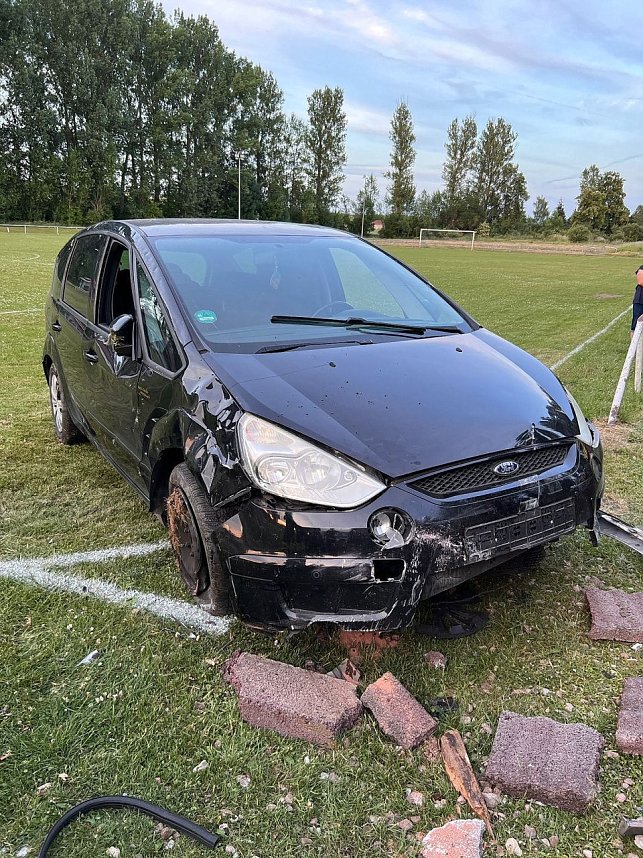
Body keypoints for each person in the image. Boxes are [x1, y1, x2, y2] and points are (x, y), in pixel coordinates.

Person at [632, 265, 643, 338]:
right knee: (636, 326)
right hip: (640, 300)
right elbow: (640, 282)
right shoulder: (642, 268)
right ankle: (634, 348)